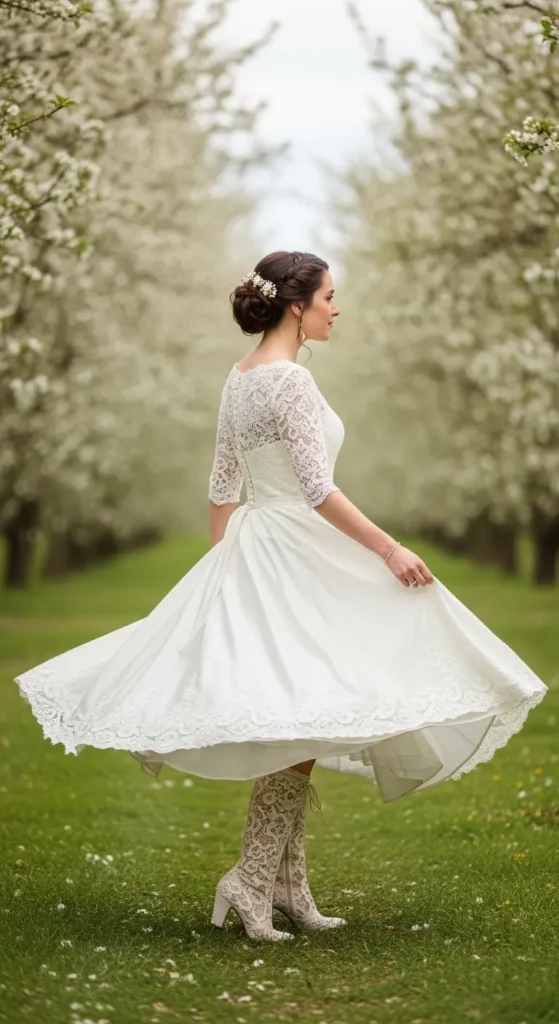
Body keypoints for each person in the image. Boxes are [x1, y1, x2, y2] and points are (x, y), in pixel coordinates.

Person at [14, 250, 547, 944]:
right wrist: (388, 549)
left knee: (303, 716)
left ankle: (285, 886)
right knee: (300, 715)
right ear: (297, 304)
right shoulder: (289, 381)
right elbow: (316, 488)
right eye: (329, 295)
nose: (336, 307)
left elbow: (220, 485)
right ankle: (249, 879)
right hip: (291, 548)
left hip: (259, 546)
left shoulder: (238, 378)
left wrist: (226, 564)